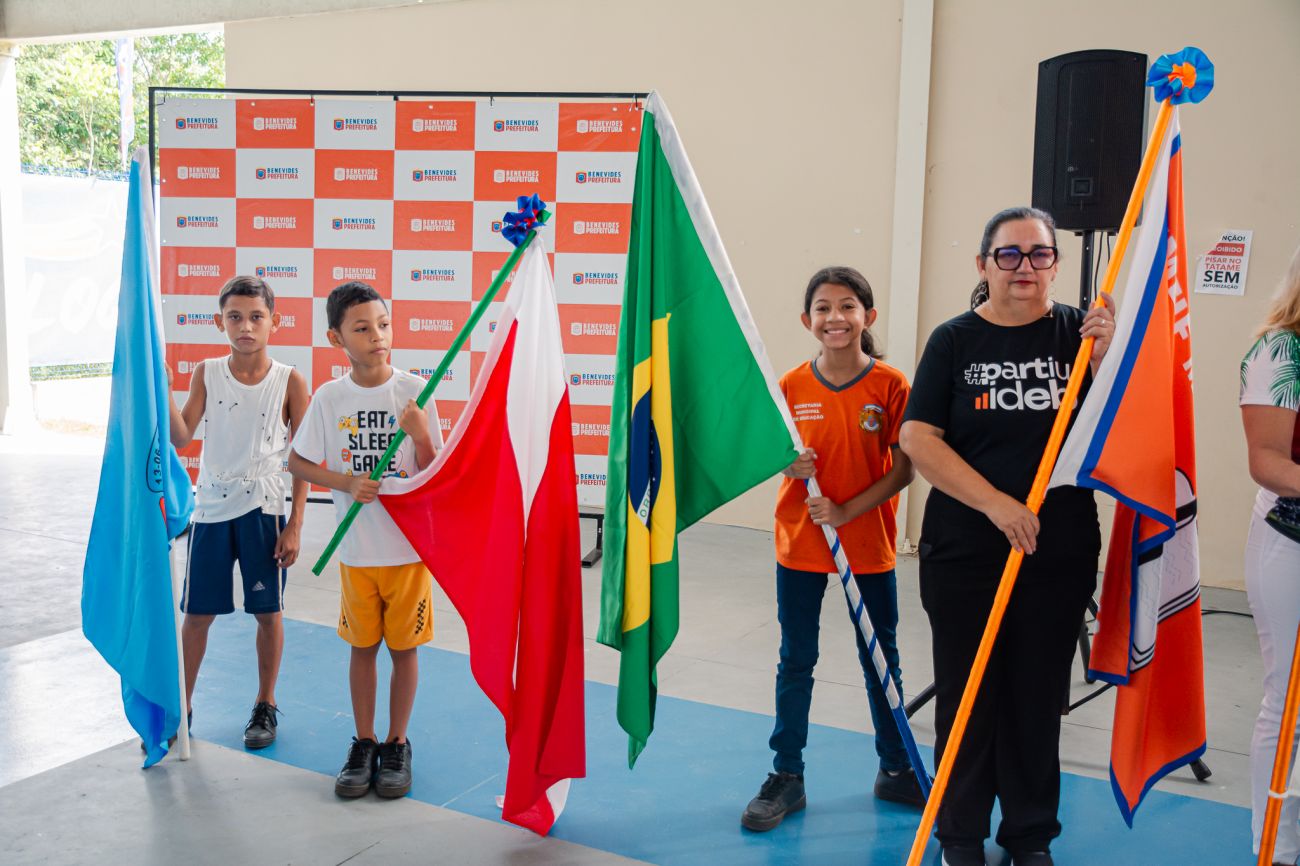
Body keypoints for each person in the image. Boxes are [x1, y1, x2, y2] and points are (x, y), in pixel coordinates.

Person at [899, 207, 1115, 866]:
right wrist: (996, 504)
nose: (1025, 266)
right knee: (967, 697)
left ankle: (1029, 835)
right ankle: (959, 835)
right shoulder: (954, 341)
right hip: (965, 549)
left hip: (1057, 550)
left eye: (1039, 254)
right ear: (983, 264)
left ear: (1056, 264)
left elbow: (1120, 429)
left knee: (1036, 698)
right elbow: (918, 438)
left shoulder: (1081, 335)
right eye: (1010, 254)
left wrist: (1108, 359)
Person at [741, 266, 919, 833]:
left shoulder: (890, 385)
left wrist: (846, 512)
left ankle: (896, 767)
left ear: (868, 316)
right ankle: (786, 775)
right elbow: (770, 455)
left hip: (866, 542)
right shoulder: (791, 386)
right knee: (797, 658)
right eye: (822, 307)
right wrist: (786, 463)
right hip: (802, 542)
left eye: (847, 306)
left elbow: (905, 469)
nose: (835, 317)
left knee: (880, 658)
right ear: (807, 319)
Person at [287, 281, 441, 800]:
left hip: (408, 553)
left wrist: (420, 434)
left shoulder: (415, 390)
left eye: (383, 324)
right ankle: (365, 741)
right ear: (336, 339)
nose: (377, 336)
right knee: (362, 647)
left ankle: (397, 743)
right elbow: (298, 462)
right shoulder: (330, 398)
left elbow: (434, 471)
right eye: (362, 328)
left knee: (404, 650)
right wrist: (347, 483)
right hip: (357, 553)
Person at [167, 275, 310, 749]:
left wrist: (295, 524)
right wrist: (164, 392)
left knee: (268, 612)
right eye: (235, 317)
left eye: (255, 317)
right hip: (209, 509)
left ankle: (265, 704)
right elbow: (182, 435)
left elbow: (303, 457)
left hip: (264, 510)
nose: (245, 326)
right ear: (219, 322)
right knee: (197, 614)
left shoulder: (289, 380)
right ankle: (181, 707)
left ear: (274, 322)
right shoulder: (207, 372)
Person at [1241, 244, 1300, 866]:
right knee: (1289, 703)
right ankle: (1276, 848)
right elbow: (1268, 463)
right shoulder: (1281, 351)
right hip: (1291, 541)